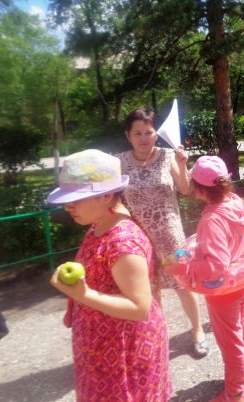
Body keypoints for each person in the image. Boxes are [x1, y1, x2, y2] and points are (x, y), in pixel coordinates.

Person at [47, 149, 171, 401]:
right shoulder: (100, 224)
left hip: (125, 353)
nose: (68, 206)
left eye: (77, 198)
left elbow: (139, 307)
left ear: (106, 196)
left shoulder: (122, 241)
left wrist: (83, 295)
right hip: (103, 349)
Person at [117, 107, 208, 358]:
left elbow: (186, 189)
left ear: (156, 133)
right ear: (128, 136)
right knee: (149, 289)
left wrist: (183, 164)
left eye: (148, 132)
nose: (144, 138)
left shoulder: (168, 156)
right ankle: (157, 335)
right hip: (138, 238)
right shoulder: (119, 162)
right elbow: (112, 198)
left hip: (170, 235)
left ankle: (197, 331)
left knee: (183, 284)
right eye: (138, 133)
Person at [180, 156, 244, 402]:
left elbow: (215, 267)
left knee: (230, 340)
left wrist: (184, 267)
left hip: (223, 291)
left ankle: (235, 393)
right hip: (242, 281)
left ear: (198, 189)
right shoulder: (235, 202)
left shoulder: (211, 220)